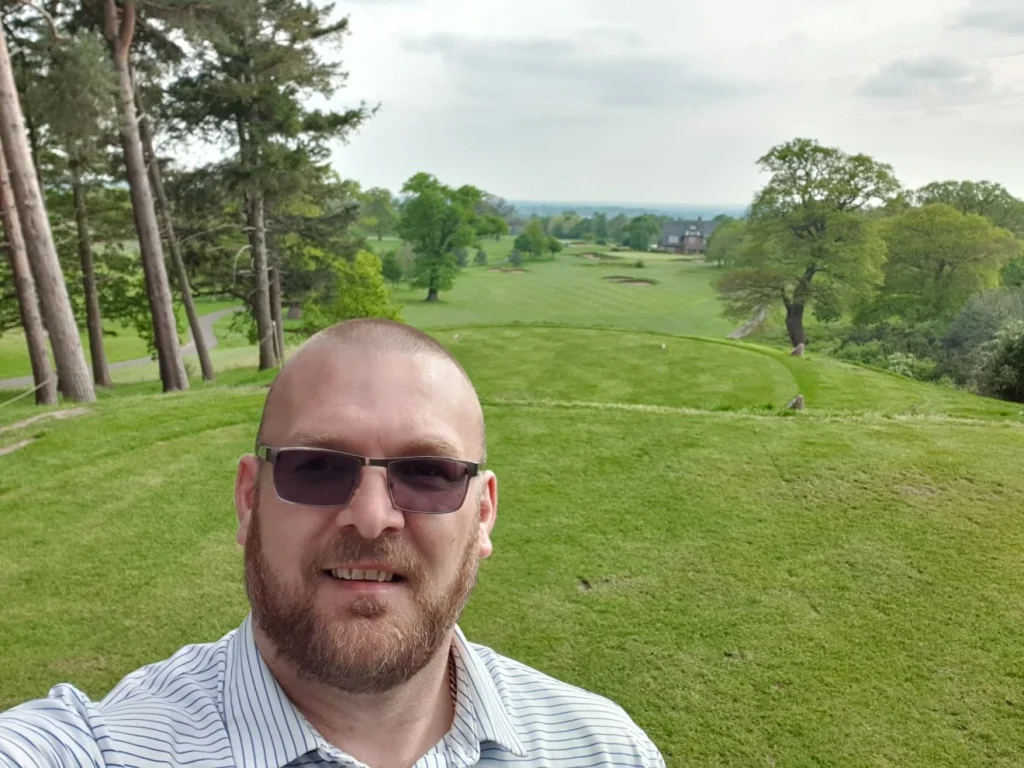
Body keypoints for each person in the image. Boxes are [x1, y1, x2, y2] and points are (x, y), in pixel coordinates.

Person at [0, 319, 666, 768]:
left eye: (428, 473)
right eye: (317, 467)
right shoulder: (103, 748)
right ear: (249, 499)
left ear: (483, 513)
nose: (372, 518)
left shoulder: (607, 750)